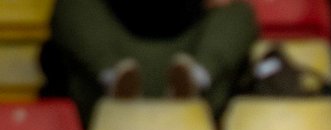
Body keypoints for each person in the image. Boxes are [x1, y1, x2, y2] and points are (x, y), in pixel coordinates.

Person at [48, 0, 258, 122]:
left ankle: (195, 79)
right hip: (117, 61)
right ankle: (113, 78)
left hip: (189, 59)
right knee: (72, 5)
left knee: (237, 11)